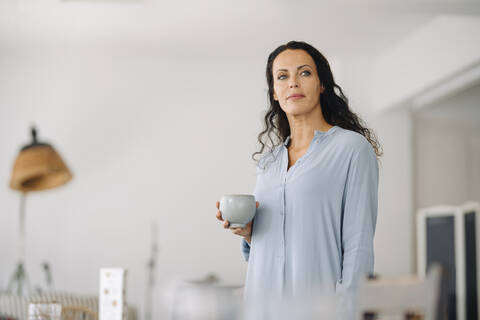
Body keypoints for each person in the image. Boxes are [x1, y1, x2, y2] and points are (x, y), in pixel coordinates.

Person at [215, 40, 382, 315]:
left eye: (304, 73)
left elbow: (359, 246)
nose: (293, 82)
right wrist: (248, 234)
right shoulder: (269, 162)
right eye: (282, 76)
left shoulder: (351, 149)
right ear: (275, 93)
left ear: (321, 84)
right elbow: (270, 242)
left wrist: (349, 311)